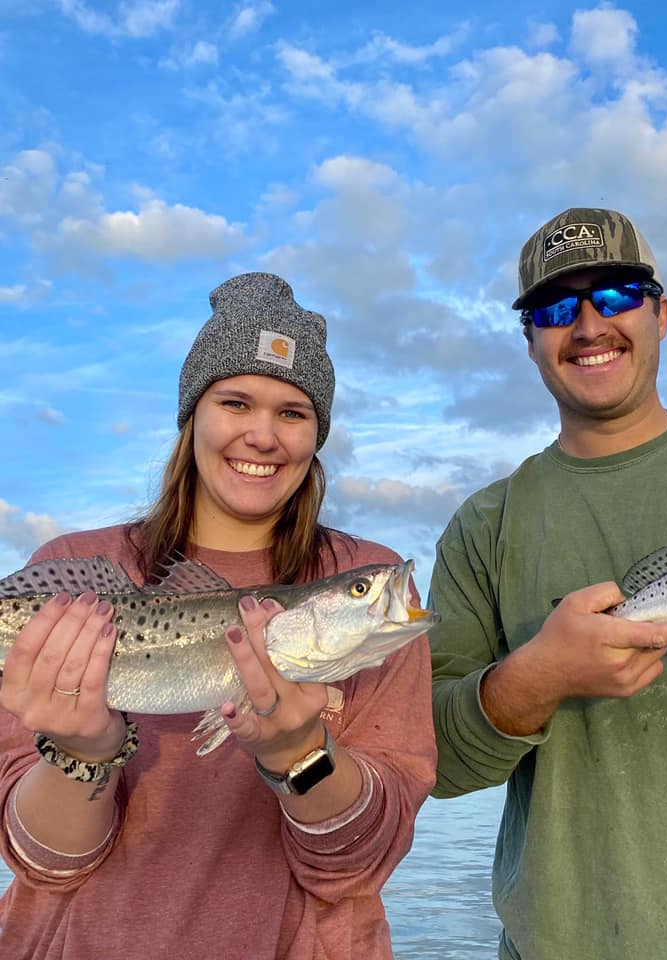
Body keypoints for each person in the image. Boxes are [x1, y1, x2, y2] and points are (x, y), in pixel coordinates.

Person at [0, 272, 436, 959]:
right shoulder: (68, 576)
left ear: (317, 435)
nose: (263, 435)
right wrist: (81, 754)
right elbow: (44, 864)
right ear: (192, 415)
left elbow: (360, 865)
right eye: (236, 402)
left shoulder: (379, 611)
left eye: (293, 413)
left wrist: (299, 756)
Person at [429, 208, 667, 960]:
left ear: (662, 314)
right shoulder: (485, 525)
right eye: (555, 307)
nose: (588, 325)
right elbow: (429, 762)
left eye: (615, 295)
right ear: (530, 342)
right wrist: (534, 679)